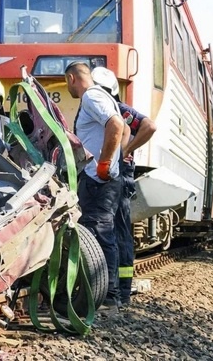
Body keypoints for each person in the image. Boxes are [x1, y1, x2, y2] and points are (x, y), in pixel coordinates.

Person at [92, 67, 157, 306]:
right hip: (113, 173)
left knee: (117, 230)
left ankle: (121, 291)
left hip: (118, 174)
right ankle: (118, 290)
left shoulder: (118, 110)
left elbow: (150, 126)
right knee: (116, 230)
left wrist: (126, 151)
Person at [65, 61, 124, 309]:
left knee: (99, 232)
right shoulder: (101, 96)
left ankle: (109, 295)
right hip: (100, 179)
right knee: (100, 232)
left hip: (98, 180)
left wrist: (105, 162)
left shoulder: (91, 96)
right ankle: (107, 294)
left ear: (71, 78)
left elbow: (117, 125)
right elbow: (125, 129)